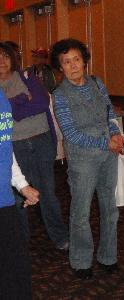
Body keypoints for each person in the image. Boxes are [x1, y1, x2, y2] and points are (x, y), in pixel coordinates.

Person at [50, 38, 124, 279]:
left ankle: (108, 256)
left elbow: (109, 113)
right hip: (82, 160)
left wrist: (115, 134)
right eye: (66, 62)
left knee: (110, 208)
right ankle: (81, 261)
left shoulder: (96, 82)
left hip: (108, 155)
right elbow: (70, 133)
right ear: (60, 67)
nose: (73, 66)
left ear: (84, 61)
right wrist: (107, 142)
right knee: (81, 212)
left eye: (76, 60)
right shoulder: (60, 95)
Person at [0, 42, 69, 248]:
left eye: (5, 56)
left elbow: (40, 103)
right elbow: (19, 109)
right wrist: (22, 101)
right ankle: (20, 241)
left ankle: (60, 237)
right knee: (18, 195)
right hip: (13, 147)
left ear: (13, 58)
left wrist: (14, 106)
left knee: (47, 192)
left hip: (41, 141)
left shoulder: (26, 77)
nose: (2, 61)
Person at [0, 88, 39, 299]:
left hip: (4, 198)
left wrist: (21, 184)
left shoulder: (1, 96)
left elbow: (4, 144)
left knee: (17, 272)